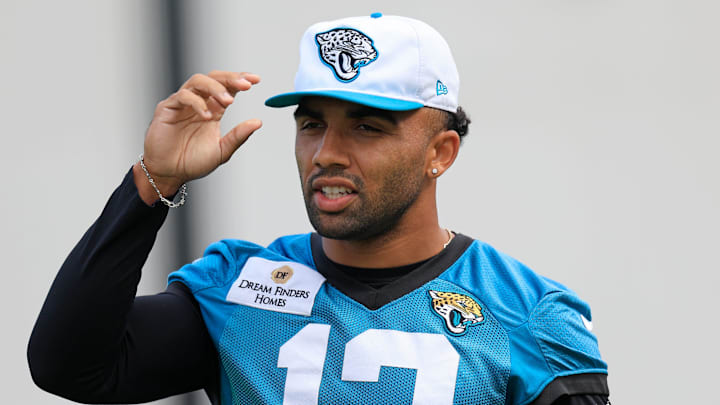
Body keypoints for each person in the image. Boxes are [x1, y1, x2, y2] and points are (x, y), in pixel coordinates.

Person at [28, 13, 609, 405]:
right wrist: (152, 183)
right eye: (312, 124)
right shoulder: (238, 287)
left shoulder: (528, 314)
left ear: (440, 151)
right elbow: (68, 365)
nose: (327, 153)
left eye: (367, 127)